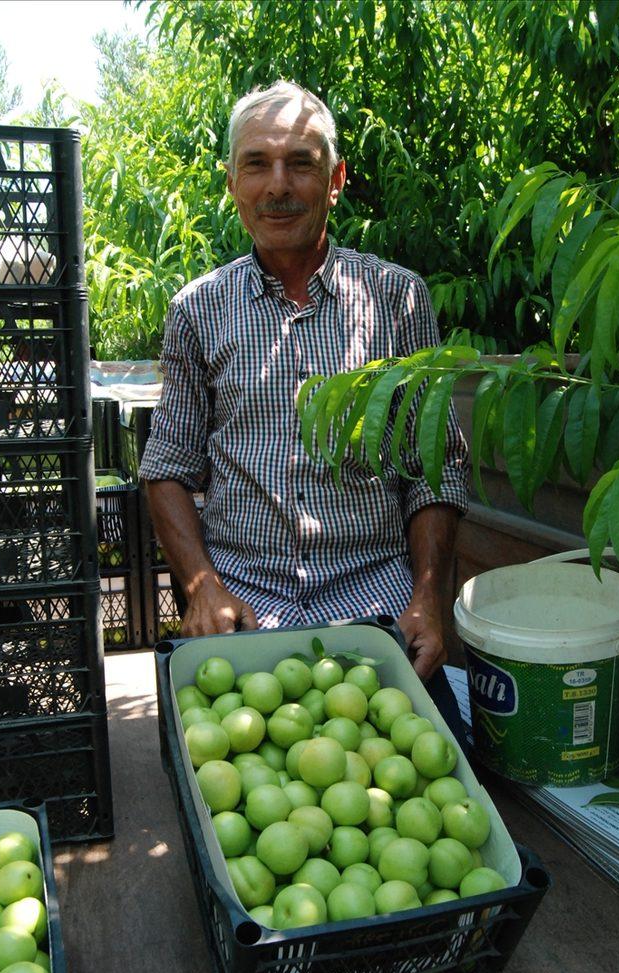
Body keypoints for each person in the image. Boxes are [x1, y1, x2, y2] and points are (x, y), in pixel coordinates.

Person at [140, 80, 470, 699]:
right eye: (256, 164)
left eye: (301, 164)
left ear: (336, 179)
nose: (278, 186)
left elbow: (436, 466)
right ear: (232, 184)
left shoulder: (397, 299)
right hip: (246, 610)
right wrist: (200, 586)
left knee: (433, 773)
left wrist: (429, 598)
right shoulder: (198, 310)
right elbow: (166, 469)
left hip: (378, 609)